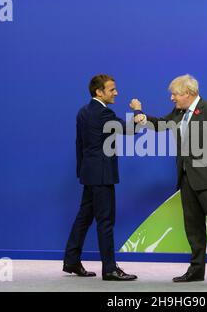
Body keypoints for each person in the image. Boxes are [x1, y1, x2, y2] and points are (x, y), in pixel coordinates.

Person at [137, 74, 207, 285]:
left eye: (175, 94)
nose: (172, 98)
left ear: (189, 93)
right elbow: (163, 124)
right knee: (193, 227)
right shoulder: (179, 113)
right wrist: (144, 118)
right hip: (187, 178)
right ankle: (197, 270)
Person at [63, 74, 142, 281]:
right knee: (105, 221)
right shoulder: (104, 114)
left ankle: (71, 260)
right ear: (99, 92)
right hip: (103, 175)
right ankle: (109, 269)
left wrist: (82, 172)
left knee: (84, 218)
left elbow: (79, 144)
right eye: (112, 89)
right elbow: (132, 129)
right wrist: (137, 110)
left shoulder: (83, 112)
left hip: (90, 174)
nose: (116, 93)